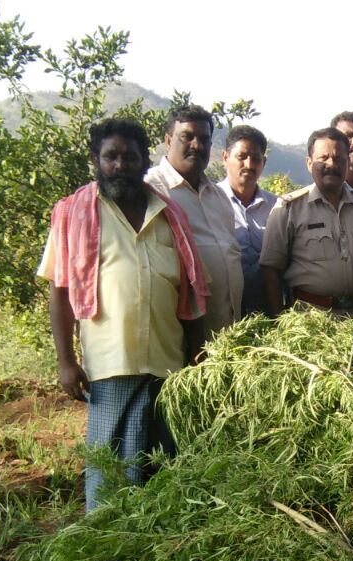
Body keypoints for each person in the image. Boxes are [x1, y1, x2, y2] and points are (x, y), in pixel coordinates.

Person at [38, 118, 209, 512]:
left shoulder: (170, 216)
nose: (120, 165)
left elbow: (192, 296)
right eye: (110, 156)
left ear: (143, 161)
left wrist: (197, 358)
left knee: (161, 474)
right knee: (112, 477)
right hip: (110, 369)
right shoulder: (74, 214)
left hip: (167, 367)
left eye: (129, 157)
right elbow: (60, 292)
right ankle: (106, 552)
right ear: (96, 160)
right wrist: (66, 361)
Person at [259, 127, 353, 318]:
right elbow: (270, 269)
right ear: (309, 163)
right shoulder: (288, 209)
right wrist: (278, 321)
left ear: (347, 163)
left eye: (339, 159)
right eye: (323, 158)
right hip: (311, 321)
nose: (332, 164)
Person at [145, 104, 244, 350]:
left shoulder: (218, 196)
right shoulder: (151, 190)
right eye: (187, 137)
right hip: (181, 344)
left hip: (227, 339)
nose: (197, 145)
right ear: (168, 140)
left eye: (204, 139)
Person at [216, 124, 278, 317]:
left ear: (264, 162)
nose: (249, 165)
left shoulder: (277, 207)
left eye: (256, 159)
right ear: (225, 157)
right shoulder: (209, 202)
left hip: (268, 310)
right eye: (241, 157)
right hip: (224, 312)